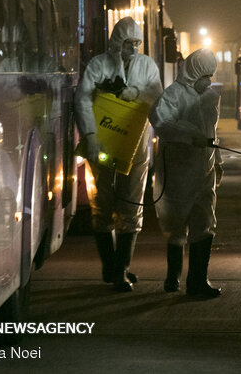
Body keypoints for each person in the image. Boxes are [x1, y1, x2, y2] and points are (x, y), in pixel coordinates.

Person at [74, 17, 163, 292]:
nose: (133, 48)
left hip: (135, 145)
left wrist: (135, 92)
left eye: (137, 43)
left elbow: (157, 96)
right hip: (101, 143)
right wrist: (90, 136)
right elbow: (83, 99)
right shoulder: (98, 65)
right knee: (102, 202)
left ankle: (120, 268)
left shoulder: (147, 66)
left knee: (131, 203)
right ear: (116, 43)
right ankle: (112, 266)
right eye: (128, 43)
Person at [149, 48, 224, 297]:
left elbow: (213, 132)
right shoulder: (174, 94)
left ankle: (197, 282)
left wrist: (218, 161)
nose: (209, 80)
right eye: (206, 74)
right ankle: (173, 277)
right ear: (195, 72)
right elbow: (161, 121)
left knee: (204, 224)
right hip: (179, 170)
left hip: (204, 170)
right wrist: (191, 135)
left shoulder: (211, 98)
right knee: (176, 224)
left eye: (211, 75)